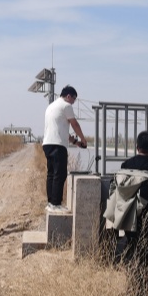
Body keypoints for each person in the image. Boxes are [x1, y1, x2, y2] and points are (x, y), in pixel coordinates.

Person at [116, 131, 148, 296]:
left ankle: (130, 292)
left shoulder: (126, 164)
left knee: (131, 251)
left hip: (129, 215)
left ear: (137, 147)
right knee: (145, 255)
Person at [42, 85, 87, 213]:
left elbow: (60, 129)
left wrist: (75, 142)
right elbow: (75, 124)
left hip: (47, 144)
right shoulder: (66, 106)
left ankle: (50, 203)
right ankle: (56, 204)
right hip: (58, 145)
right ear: (68, 96)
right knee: (60, 174)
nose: (73, 102)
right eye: (74, 99)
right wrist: (83, 139)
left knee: (51, 174)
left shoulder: (51, 106)